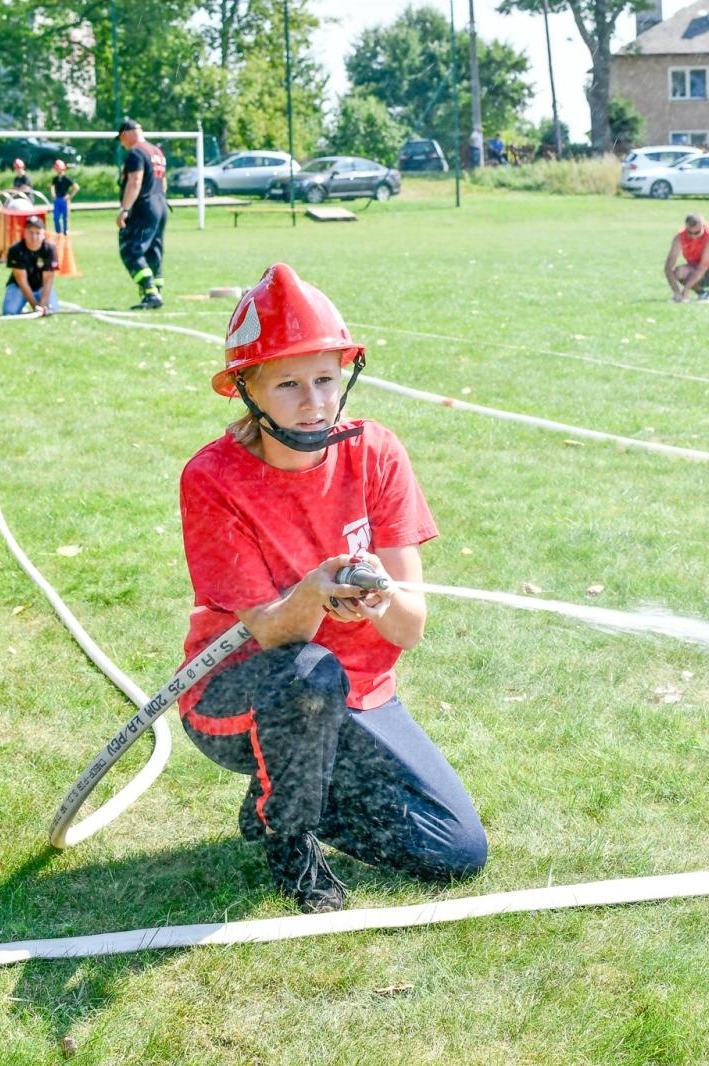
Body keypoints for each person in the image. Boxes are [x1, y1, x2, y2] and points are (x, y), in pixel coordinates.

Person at [177, 263, 487, 913]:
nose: (315, 401)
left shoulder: (376, 453)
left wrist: (380, 599)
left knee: (455, 851)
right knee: (309, 671)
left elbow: (410, 629)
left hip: (355, 695)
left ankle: (289, 784)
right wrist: (314, 592)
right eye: (288, 383)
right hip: (242, 690)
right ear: (246, 389)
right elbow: (269, 633)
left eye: (325, 378)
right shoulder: (213, 478)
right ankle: (288, 837)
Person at [115, 118, 166, 310]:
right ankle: (157, 291)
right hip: (160, 203)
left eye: (121, 139)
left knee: (131, 248)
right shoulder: (157, 152)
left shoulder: (136, 152)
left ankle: (149, 291)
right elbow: (164, 182)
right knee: (154, 249)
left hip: (144, 206)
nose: (122, 144)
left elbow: (135, 181)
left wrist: (125, 209)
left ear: (126, 134)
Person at [665, 212, 709, 302]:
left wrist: (686, 289)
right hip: (695, 269)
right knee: (679, 272)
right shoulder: (679, 238)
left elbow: (703, 266)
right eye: (690, 232)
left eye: (697, 233)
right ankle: (702, 293)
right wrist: (676, 292)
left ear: (703, 226)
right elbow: (668, 267)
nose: (693, 236)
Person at [2, 214, 57, 316]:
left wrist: (42, 305)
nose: (34, 237)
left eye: (37, 233)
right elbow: (21, 281)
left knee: (52, 311)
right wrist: (35, 305)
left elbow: (48, 280)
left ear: (43, 234)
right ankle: (23, 305)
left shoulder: (49, 250)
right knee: (9, 312)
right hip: (19, 287)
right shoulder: (16, 250)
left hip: (41, 287)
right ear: (24, 233)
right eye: (30, 232)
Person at [50, 160, 75, 235]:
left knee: (65, 217)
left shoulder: (67, 178)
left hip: (64, 199)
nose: (57, 170)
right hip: (57, 199)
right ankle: (58, 231)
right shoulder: (55, 178)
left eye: (58, 168)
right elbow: (52, 187)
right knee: (56, 217)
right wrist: (53, 194)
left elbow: (76, 187)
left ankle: (65, 231)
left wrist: (70, 196)